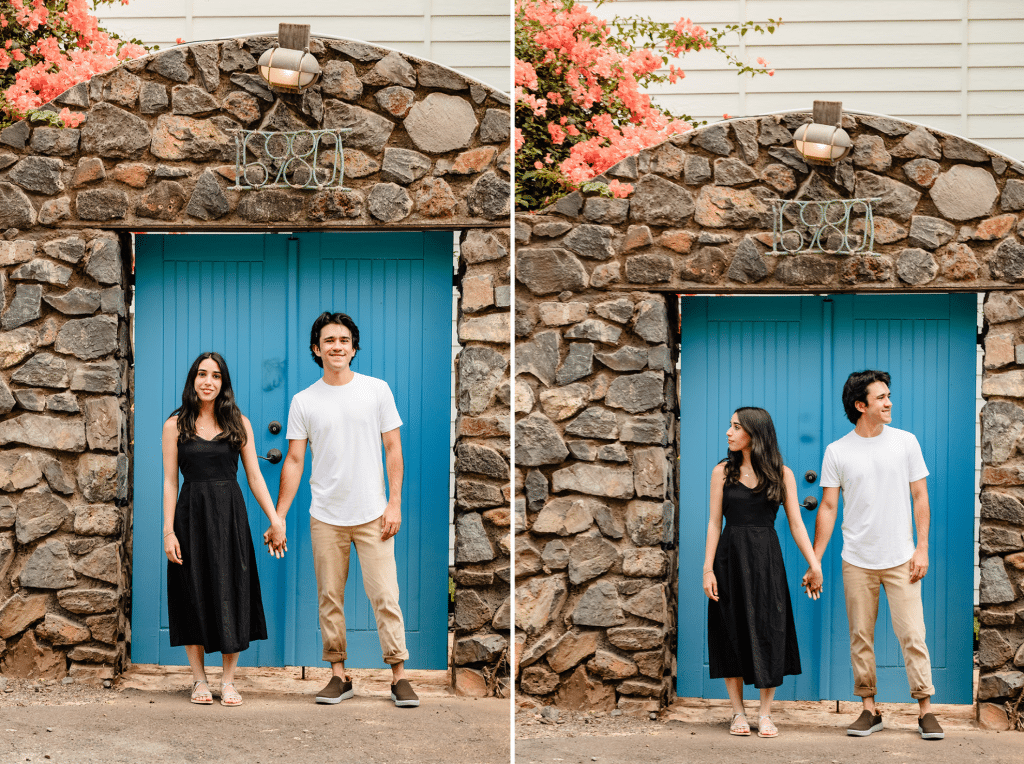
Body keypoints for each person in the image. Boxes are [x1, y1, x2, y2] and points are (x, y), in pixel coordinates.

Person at [271, 311, 418, 708]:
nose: (337, 346)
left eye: (344, 340)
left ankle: (399, 676)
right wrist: (280, 515)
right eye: (329, 341)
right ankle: (339, 676)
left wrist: (395, 503)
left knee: (386, 595)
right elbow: (296, 461)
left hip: (374, 513)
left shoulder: (377, 391)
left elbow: (393, 449)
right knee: (329, 598)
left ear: (354, 348)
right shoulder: (304, 400)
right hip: (326, 516)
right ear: (316, 349)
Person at [804, 370, 944, 740]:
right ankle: (869, 709)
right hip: (857, 560)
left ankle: (925, 710)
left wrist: (922, 547)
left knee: (913, 634)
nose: (889, 402)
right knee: (860, 637)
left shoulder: (906, 442)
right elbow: (829, 508)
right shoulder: (838, 450)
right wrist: (815, 560)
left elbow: (920, 497)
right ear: (860, 405)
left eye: (888, 395)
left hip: (902, 558)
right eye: (881, 397)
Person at [163, 352, 287, 707]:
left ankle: (229, 681)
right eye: (202, 374)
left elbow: (254, 476)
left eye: (215, 376)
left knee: (232, 590)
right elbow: (171, 482)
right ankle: (199, 679)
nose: (208, 381)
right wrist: (168, 531)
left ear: (223, 383)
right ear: (193, 380)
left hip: (230, 516)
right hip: (190, 516)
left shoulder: (239, 422)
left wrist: (275, 520)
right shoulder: (174, 425)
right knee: (193, 591)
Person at [703, 407, 823, 738]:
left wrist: (815, 563)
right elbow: (715, 523)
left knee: (770, 629)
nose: (728, 432)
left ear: (755, 435)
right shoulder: (721, 472)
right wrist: (707, 568)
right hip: (729, 558)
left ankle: (766, 713)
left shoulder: (781, 474)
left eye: (736, 427)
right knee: (732, 629)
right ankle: (738, 712)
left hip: (767, 558)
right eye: (729, 426)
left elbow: (797, 524)